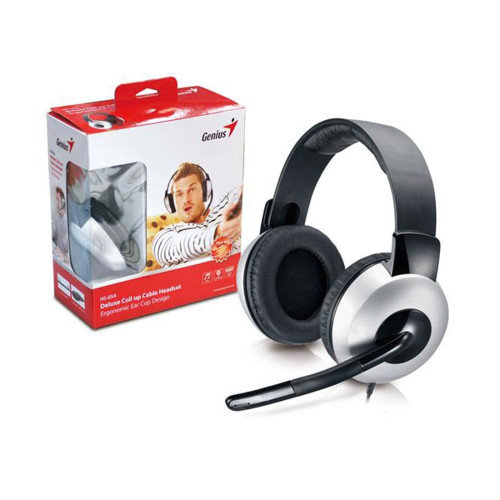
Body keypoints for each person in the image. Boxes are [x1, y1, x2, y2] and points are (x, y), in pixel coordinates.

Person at [153, 163, 242, 266]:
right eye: (179, 194)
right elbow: (167, 250)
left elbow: (243, 193)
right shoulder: (167, 235)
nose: (186, 200)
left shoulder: (226, 205)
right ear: (171, 203)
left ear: (205, 191)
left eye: (192, 189)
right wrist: (217, 233)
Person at [52, 187, 69, 263]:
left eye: (58, 200)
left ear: (63, 202)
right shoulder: (57, 217)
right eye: (56, 200)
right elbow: (54, 234)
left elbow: (73, 258)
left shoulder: (69, 224)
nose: (56, 202)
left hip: (63, 260)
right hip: (55, 252)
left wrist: (63, 256)